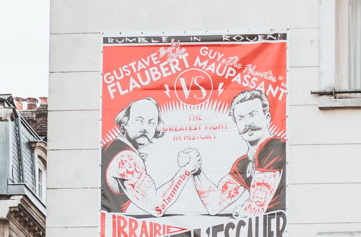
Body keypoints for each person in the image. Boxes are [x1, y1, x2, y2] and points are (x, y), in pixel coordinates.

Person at [193, 89, 286, 217]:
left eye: (253, 115)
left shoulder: (274, 146)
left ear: (267, 118)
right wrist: (196, 171)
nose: (248, 123)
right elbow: (214, 205)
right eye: (241, 119)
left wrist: (243, 210)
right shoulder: (244, 163)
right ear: (237, 125)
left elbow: (255, 209)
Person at [101, 96, 198, 216]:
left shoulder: (112, 147)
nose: (145, 128)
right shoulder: (126, 157)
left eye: (151, 123)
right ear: (125, 123)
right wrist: (187, 170)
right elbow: (157, 206)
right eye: (139, 120)